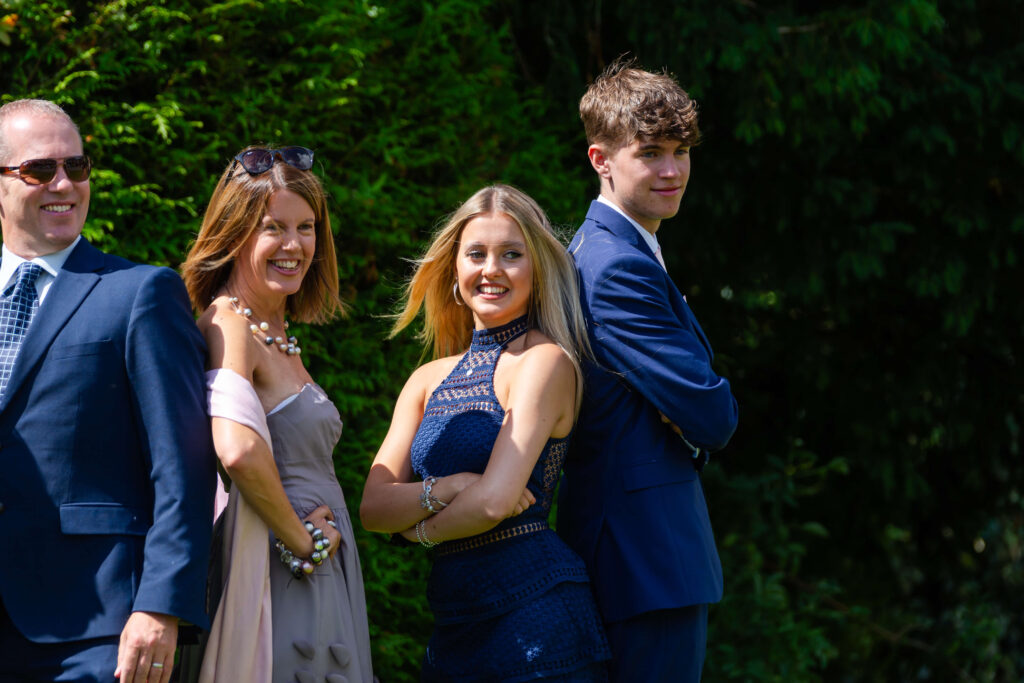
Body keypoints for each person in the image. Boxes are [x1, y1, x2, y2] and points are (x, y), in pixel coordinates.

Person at [0, 99, 216, 682]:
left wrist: (161, 604)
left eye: (78, 165)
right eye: (40, 170)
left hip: (96, 629)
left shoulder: (140, 293)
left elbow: (184, 466)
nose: (64, 183)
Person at [361, 184, 610, 681]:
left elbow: (496, 502)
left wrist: (418, 531)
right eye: (476, 253)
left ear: (536, 270)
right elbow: (372, 507)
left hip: (538, 613)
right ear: (456, 269)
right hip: (454, 621)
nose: (491, 269)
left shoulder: (545, 362)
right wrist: (450, 489)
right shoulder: (427, 380)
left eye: (511, 255)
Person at [557, 58, 740, 682]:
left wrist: (684, 406)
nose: (672, 171)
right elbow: (714, 414)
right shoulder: (615, 268)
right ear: (600, 159)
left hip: (643, 556)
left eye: (681, 151)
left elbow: (691, 403)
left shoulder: (622, 248)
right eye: (651, 153)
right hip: (644, 559)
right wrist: (695, 408)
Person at [180, 146, 373, 683]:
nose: (294, 245)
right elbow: (237, 449)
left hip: (313, 567)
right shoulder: (229, 322)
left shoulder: (278, 334)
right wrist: (302, 542)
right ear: (235, 233)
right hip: (278, 572)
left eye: (307, 228)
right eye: (274, 228)